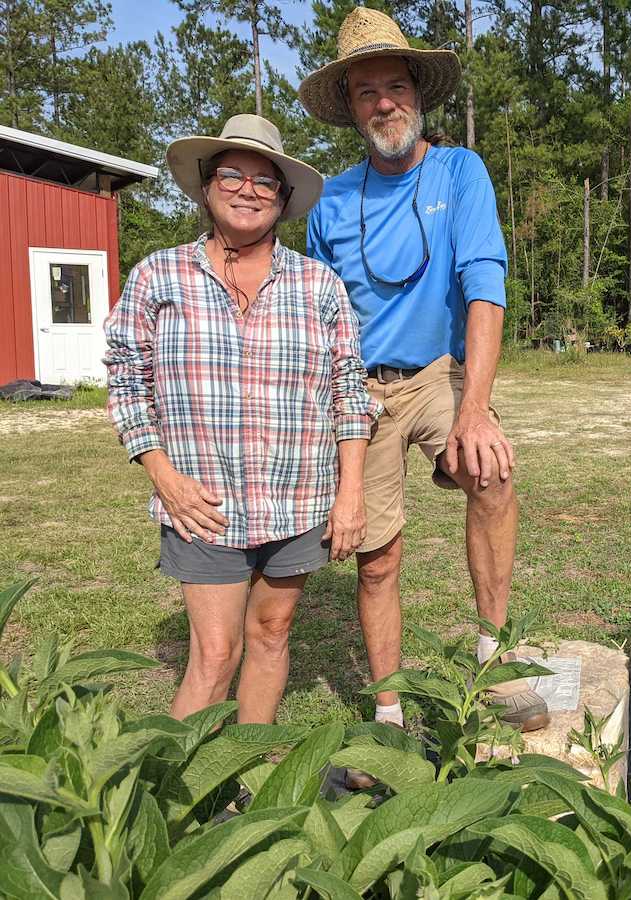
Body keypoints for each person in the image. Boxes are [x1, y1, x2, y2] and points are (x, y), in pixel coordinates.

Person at [299, 7, 548, 739]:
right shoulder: (331, 201)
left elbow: (485, 287)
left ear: (418, 92)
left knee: (494, 475)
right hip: (360, 389)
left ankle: (491, 662)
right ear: (350, 106)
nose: (384, 102)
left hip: (439, 373)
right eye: (367, 90)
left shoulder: (460, 171)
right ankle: (388, 710)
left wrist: (475, 407)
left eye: (395, 85)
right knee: (376, 560)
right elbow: (320, 320)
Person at [104, 114, 379, 725]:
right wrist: (163, 476)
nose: (247, 190)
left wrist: (350, 493)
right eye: (233, 174)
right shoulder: (159, 276)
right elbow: (126, 381)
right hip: (203, 501)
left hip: (299, 498)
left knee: (273, 632)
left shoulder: (318, 285)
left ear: (282, 201)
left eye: (265, 181)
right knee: (215, 654)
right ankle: (170, 801)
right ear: (207, 185)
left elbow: (349, 391)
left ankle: (247, 772)